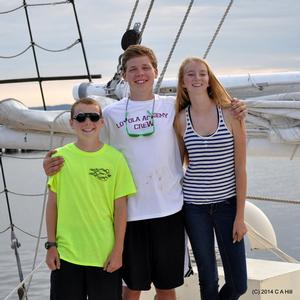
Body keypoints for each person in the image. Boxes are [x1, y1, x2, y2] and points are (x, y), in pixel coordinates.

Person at [44, 45, 247, 300]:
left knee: (166, 287)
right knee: (132, 288)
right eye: (132, 69)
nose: (140, 74)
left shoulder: (174, 108)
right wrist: (51, 163)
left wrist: (235, 106)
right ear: (124, 75)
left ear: (155, 71)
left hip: (170, 211)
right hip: (130, 215)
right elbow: (87, 146)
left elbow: (204, 107)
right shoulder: (110, 114)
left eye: (145, 68)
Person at [45, 97, 136, 300]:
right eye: (81, 117)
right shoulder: (59, 158)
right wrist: (51, 246)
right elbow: (52, 205)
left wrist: (118, 251)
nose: (88, 122)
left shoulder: (115, 159)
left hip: (104, 256)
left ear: (102, 122)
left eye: (94, 117)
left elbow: (121, 208)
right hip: (66, 256)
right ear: (72, 123)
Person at [174, 57, 248, 300]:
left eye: (202, 73)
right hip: (194, 208)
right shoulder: (181, 120)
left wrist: (240, 216)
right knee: (208, 281)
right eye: (191, 74)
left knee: (238, 284)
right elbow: (177, 164)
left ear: (209, 78)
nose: (197, 78)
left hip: (227, 206)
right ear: (183, 82)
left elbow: (240, 168)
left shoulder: (231, 113)